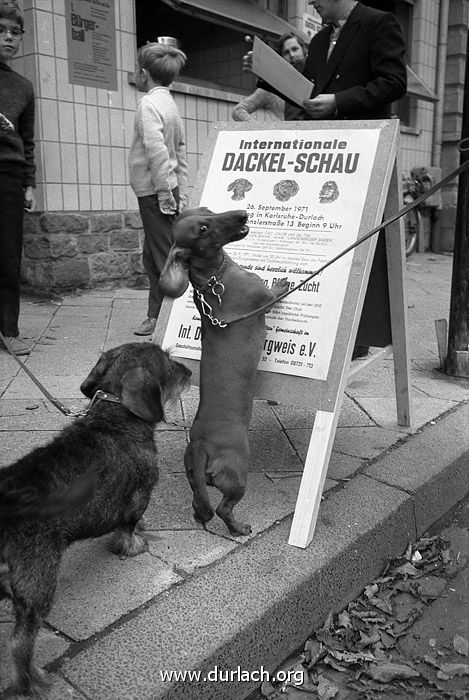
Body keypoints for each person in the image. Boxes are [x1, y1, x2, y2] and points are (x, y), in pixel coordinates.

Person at [129, 42, 188, 336]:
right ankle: (157, 314)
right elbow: (180, 154)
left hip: (155, 193)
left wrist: (165, 194)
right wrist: (181, 192)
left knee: (163, 256)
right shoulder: (171, 106)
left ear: (143, 73)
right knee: (153, 256)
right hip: (166, 190)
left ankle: (171, 317)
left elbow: (156, 152)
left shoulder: (148, 104)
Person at [0, 3, 36, 356]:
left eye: (14, 32)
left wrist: (30, 183)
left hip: (9, 176)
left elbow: (28, 139)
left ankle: (8, 329)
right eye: (1, 30)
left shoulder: (23, 86)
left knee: (9, 255)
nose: (8, 37)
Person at [232, 32, 308, 122]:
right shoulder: (272, 86)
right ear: (281, 58)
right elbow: (238, 111)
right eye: (286, 52)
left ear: (303, 51)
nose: (292, 55)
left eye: (295, 49)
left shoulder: (316, 77)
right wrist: (262, 130)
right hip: (284, 134)